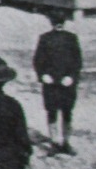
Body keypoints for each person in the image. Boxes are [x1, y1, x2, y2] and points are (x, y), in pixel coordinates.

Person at [34, 10, 84, 154]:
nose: (58, 25)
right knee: (52, 111)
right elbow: (38, 60)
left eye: (60, 22)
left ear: (64, 23)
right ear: (52, 23)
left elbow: (77, 61)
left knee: (67, 111)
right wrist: (43, 75)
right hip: (50, 83)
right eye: (56, 22)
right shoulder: (44, 38)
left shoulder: (71, 38)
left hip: (67, 83)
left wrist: (71, 77)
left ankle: (66, 142)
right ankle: (54, 143)